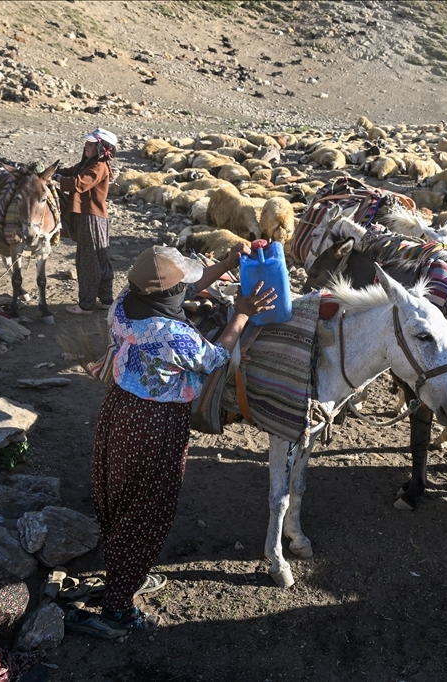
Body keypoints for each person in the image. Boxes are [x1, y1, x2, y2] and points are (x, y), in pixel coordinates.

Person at [65, 244, 276, 639]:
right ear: (172, 296)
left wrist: (225, 264)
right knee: (146, 510)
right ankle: (116, 611)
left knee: (121, 498)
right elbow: (214, 357)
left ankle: (122, 575)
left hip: (119, 411)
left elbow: (185, 287)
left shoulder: (125, 305)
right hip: (155, 425)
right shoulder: (173, 336)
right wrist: (243, 313)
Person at [59, 128, 117, 315]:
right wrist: (52, 172)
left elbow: (79, 183)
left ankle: (86, 305)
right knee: (100, 258)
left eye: (91, 144)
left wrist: (58, 180)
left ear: (102, 147)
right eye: (87, 143)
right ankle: (106, 300)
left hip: (90, 217)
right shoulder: (90, 164)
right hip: (95, 217)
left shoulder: (99, 167)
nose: (87, 146)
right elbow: (72, 172)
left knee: (88, 260)